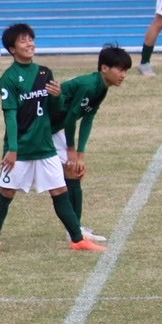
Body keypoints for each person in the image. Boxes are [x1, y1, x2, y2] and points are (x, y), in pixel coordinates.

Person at [0, 24, 104, 255]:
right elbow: (10, 115)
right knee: (6, 192)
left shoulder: (45, 73)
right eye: (23, 41)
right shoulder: (8, 79)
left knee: (60, 190)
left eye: (31, 39)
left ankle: (77, 239)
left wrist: (57, 97)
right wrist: (12, 148)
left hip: (45, 146)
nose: (30, 44)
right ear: (12, 49)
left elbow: (56, 108)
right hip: (21, 148)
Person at [55, 45, 133, 244]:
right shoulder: (89, 85)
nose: (123, 75)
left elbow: (88, 118)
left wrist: (80, 154)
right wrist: (71, 150)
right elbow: (71, 118)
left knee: (73, 171)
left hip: (52, 130)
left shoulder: (102, 87)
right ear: (104, 68)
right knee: (9, 182)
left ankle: (75, 229)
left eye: (125, 71)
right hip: (40, 129)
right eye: (120, 70)